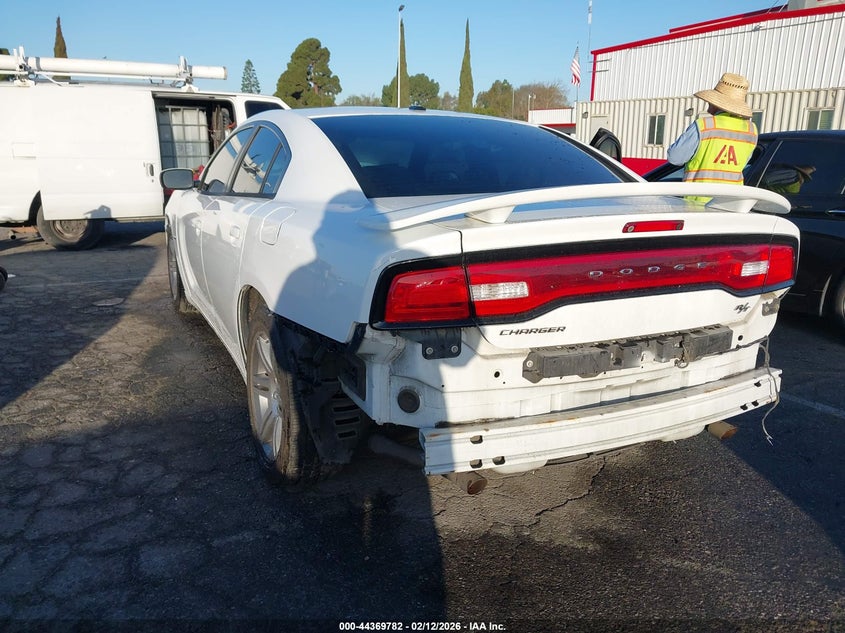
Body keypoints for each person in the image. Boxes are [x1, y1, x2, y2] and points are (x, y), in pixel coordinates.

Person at [667, 72, 758, 203]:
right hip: (732, 204)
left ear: (718, 103)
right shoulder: (751, 130)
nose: (708, 103)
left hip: (698, 203)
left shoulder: (704, 126)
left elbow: (675, 158)